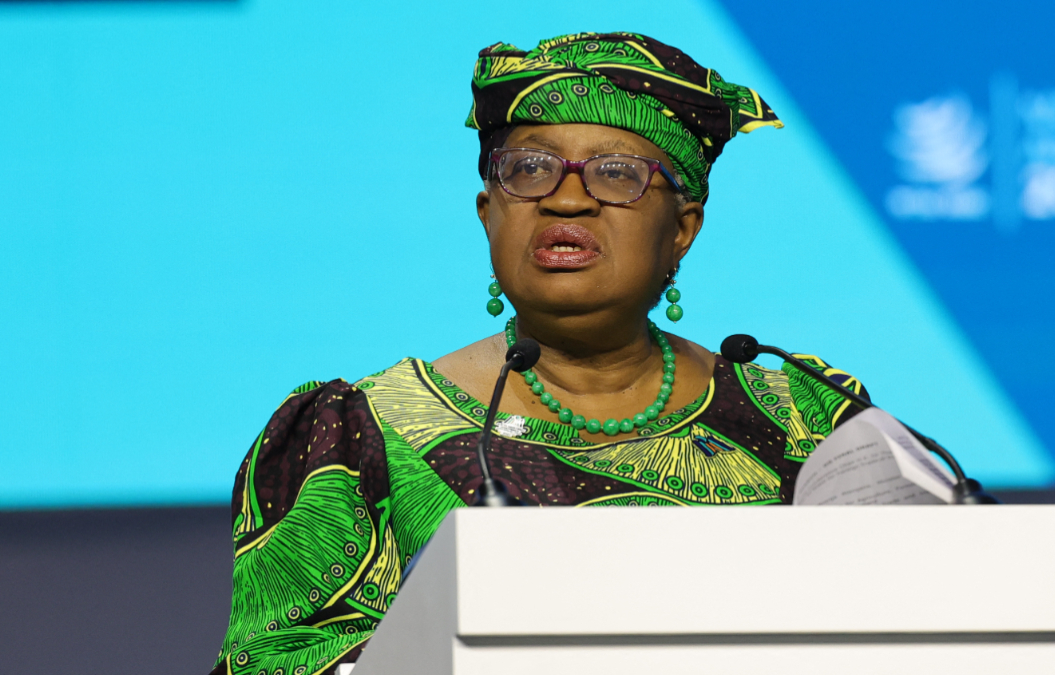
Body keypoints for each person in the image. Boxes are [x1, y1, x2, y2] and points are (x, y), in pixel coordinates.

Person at [210, 31, 868, 675]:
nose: (566, 196)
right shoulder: (363, 436)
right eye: (529, 168)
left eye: (617, 173)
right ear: (488, 213)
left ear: (683, 230)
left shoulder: (805, 422)